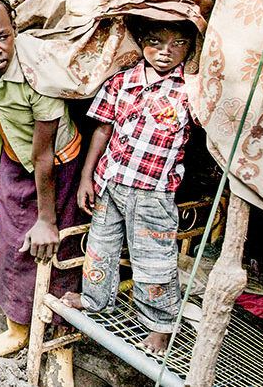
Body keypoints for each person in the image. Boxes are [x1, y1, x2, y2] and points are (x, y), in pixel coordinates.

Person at [61, 18, 197, 356]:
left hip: (154, 194)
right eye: (155, 41)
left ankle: (160, 326)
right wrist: (87, 177)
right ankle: (94, 300)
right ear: (140, 41)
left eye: (177, 43)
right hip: (110, 182)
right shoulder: (122, 81)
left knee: (154, 262)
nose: (165, 52)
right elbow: (103, 131)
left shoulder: (191, 91)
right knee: (99, 249)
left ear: (191, 47)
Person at [0, 0, 83, 356]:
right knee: (9, 242)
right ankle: (17, 324)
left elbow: (43, 155)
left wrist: (46, 218)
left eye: (1, 37)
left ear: (14, 29)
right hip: (15, 157)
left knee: (43, 244)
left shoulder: (37, 77)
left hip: (55, 166)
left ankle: (43, 329)